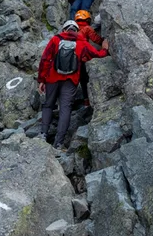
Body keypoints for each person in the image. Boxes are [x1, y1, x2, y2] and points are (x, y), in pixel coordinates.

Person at [37, 20, 108, 149]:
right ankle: (58, 143)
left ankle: (43, 134)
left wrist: (41, 80)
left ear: (64, 30)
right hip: (70, 81)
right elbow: (97, 55)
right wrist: (104, 48)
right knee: (66, 109)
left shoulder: (55, 39)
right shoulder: (82, 43)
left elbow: (45, 59)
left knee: (48, 105)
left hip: (53, 78)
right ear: (76, 30)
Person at [74, 10, 108, 109]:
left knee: (81, 80)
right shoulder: (87, 28)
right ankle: (90, 101)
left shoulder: (73, 29)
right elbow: (96, 39)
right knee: (86, 79)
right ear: (87, 19)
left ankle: (85, 101)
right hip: (83, 58)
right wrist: (105, 43)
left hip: (73, 59)